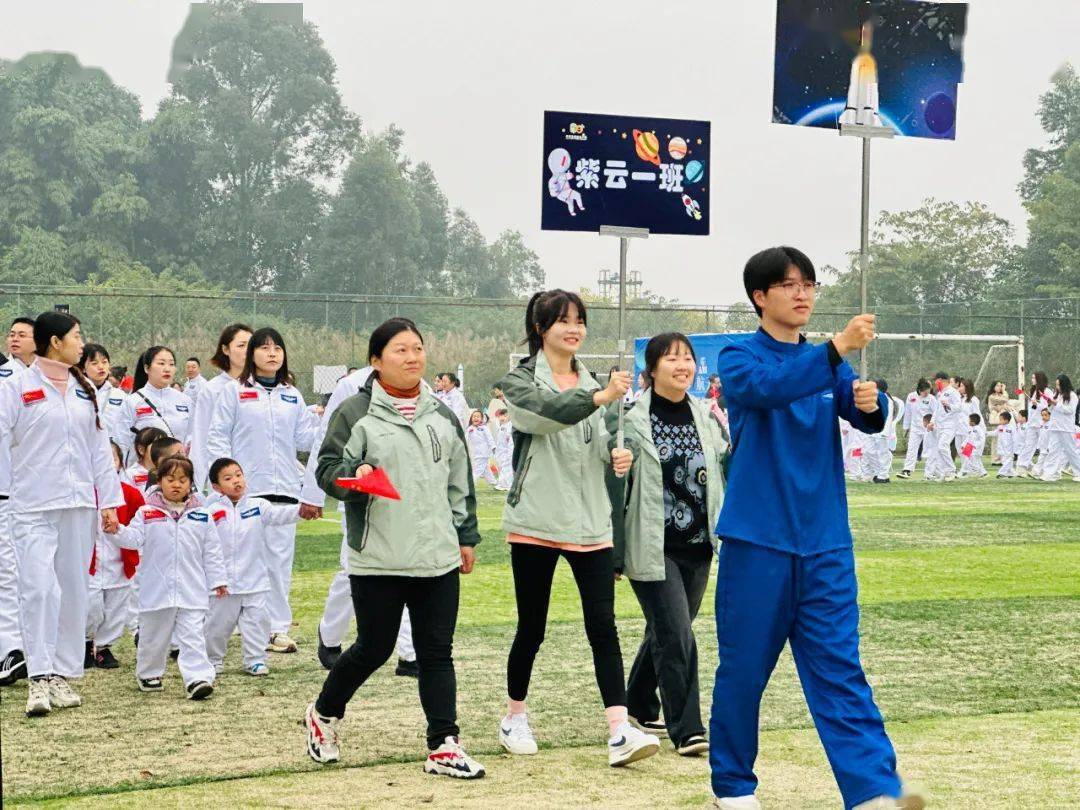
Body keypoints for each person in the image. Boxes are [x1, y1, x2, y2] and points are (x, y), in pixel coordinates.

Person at [709, 247, 918, 810]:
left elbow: (864, 416)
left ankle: (874, 790)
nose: (802, 294)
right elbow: (766, 389)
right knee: (745, 670)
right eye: (788, 285)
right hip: (758, 541)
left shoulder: (830, 362)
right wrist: (835, 349)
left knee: (840, 670)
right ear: (760, 296)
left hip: (825, 542)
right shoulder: (737, 355)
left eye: (809, 284)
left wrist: (872, 405)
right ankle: (733, 787)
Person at [305, 317, 485, 779]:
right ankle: (323, 714)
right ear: (376, 360)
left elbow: (459, 483)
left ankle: (444, 743)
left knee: (436, 651)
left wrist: (465, 537)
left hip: (437, 555)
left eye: (418, 349)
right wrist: (354, 481)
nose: (412, 358)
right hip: (378, 555)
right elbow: (327, 469)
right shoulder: (355, 413)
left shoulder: (443, 415)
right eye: (400, 350)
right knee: (374, 647)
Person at [496, 289, 659, 768]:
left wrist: (617, 457)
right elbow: (549, 415)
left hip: (590, 521)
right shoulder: (520, 381)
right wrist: (602, 396)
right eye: (563, 320)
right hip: (537, 519)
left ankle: (618, 730)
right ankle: (514, 717)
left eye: (580, 320)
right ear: (540, 327)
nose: (574, 328)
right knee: (533, 627)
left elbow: (604, 442)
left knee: (603, 628)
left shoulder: (593, 382)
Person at [0, 312, 122, 717]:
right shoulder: (16, 386)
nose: (82, 342)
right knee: (38, 589)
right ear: (55, 342)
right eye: (76, 336)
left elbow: (99, 451)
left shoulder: (84, 390)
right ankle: (37, 676)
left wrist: (109, 502)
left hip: (78, 505)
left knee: (73, 590)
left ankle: (61, 674)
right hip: (32, 503)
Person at [615, 332, 727, 758]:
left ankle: (639, 702)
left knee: (666, 631)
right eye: (672, 359)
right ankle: (687, 729)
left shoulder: (706, 415)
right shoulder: (629, 418)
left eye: (688, 359)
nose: (683, 366)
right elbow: (612, 484)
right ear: (652, 368)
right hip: (652, 542)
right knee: (676, 633)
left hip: (699, 543)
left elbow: (723, 467)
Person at [207, 327, 320, 655]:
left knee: (279, 564)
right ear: (252, 354)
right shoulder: (234, 392)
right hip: (246, 491)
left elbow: (303, 439)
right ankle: (235, 625)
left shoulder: (291, 394)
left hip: (284, 488)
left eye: (278, 348)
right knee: (241, 560)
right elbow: (217, 436)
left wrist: (326, 424)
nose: (272, 353)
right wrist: (225, 481)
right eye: (264, 348)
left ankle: (276, 629)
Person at [300, 364, 418, 677]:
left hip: (404, 495)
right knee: (352, 569)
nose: (407, 356)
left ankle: (409, 654)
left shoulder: (419, 384)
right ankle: (330, 636)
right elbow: (327, 441)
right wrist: (312, 495)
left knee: (410, 569)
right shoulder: (351, 386)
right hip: (359, 495)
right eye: (398, 349)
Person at [106, 455, 226, 699]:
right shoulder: (146, 513)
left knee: (192, 636)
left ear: (191, 483)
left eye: (183, 480)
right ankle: (149, 673)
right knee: (153, 636)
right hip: (156, 591)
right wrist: (116, 530)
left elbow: (212, 552)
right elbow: (133, 539)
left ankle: (198, 678)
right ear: (159, 481)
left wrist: (218, 581)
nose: (176, 484)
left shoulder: (202, 516)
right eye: (170, 479)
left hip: (192, 591)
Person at [204, 457, 307, 677]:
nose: (236, 481)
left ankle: (255, 660)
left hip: (255, 581)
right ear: (216, 486)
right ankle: (213, 660)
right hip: (224, 585)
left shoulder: (258, 505)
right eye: (228, 478)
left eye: (239, 475)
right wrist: (214, 578)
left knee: (256, 624)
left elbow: (280, 516)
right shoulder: (211, 511)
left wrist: (302, 511)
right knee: (217, 627)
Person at [0, 316, 36, 687]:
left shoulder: (47, 378)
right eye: (11, 334)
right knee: (9, 571)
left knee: (30, 571)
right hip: (7, 489)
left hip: (35, 491)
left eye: (22, 334)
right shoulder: (6, 380)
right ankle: (11, 649)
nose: (14, 338)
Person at [86, 440, 144, 670]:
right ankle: (85, 642)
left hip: (120, 562)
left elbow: (139, 526)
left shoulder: (130, 494)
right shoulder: (82, 495)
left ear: (121, 463)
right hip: (89, 563)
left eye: (112, 458)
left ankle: (104, 647)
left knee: (116, 607)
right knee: (90, 605)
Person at [190, 324, 252, 492]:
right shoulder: (212, 390)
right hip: (223, 480)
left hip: (255, 475)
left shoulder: (261, 388)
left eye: (251, 344)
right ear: (225, 349)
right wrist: (197, 480)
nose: (248, 350)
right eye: (241, 345)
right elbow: (201, 437)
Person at [115, 346, 194, 465]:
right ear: (147, 368)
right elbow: (122, 441)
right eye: (161, 363)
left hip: (176, 474)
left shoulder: (185, 401)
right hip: (143, 476)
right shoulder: (132, 401)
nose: (167, 369)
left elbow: (192, 438)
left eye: (171, 364)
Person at [1040, 374, 1080, 482]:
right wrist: (1050, 404)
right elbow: (1053, 410)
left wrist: (1055, 404)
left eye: (1059, 385)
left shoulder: (1072, 396)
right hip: (1055, 427)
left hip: (1066, 428)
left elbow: (1070, 410)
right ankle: (1051, 474)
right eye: (1056, 385)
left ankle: (1078, 472)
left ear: (1064, 384)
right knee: (1053, 451)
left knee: (1071, 451)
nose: (1057, 387)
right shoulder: (1056, 395)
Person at [897, 379, 934, 479]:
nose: (927, 393)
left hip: (928, 428)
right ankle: (907, 470)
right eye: (925, 391)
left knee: (928, 450)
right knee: (911, 449)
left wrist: (932, 425)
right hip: (915, 428)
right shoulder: (911, 396)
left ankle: (930, 472)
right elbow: (908, 413)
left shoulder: (931, 399)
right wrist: (906, 427)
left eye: (928, 391)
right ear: (920, 389)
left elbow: (936, 413)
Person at [932, 373, 961, 481]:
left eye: (937, 381)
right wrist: (932, 422)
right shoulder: (940, 394)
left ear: (942, 380)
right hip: (940, 425)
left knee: (943, 446)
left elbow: (959, 407)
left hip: (950, 424)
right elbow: (937, 410)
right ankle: (944, 473)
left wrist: (949, 405)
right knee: (940, 449)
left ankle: (952, 471)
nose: (936, 383)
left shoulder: (953, 392)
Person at [126, 427, 169, 492]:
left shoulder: (169, 472)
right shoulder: (129, 475)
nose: (162, 450)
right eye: (157, 446)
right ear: (141, 450)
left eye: (164, 446)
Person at [466, 409, 497, 486]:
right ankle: (493, 482)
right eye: (474, 416)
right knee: (486, 469)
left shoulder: (484, 428)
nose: (476, 418)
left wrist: (493, 447)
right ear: (471, 419)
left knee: (478, 469)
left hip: (484, 451)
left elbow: (490, 438)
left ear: (482, 419)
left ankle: (470, 484)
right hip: (476, 452)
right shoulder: (470, 428)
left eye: (478, 417)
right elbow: (465, 438)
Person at [957, 413, 988, 478]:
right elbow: (968, 438)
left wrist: (976, 445)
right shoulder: (971, 429)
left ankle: (978, 472)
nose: (968, 421)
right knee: (967, 459)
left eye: (969, 420)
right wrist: (963, 445)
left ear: (973, 421)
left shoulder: (979, 429)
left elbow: (982, 439)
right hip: (969, 447)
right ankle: (981, 472)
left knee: (972, 460)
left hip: (975, 448)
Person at [986, 381, 1009, 463]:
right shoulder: (991, 396)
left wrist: (1002, 406)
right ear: (993, 387)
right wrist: (1004, 390)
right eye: (997, 386)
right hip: (995, 419)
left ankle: (1001, 458)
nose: (999, 387)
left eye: (1000, 386)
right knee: (995, 439)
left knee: (1002, 438)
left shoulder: (1000, 396)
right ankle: (995, 459)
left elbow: (1005, 403)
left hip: (1002, 419)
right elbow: (1005, 399)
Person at [493, 408, 515, 491]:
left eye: (505, 416)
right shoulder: (501, 426)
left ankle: (509, 484)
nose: (503, 418)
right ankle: (502, 484)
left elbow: (510, 440)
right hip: (501, 451)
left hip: (508, 451)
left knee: (508, 467)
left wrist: (510, 453)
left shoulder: (510, 426)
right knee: (502, 467)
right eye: (501, 416)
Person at [995, 412, 1017, 478]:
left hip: (1010, 448)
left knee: (1008, 461)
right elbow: (995, 433)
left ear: (1006, 420)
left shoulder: (1012, 428)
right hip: (1002, 448)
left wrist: (1015, 449)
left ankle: (1001, 473)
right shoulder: (999, 427)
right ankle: (1012, 473)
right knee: (1005, 462)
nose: (1000, 421)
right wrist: (986, 433)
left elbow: (1015, 438)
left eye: (1001, 419)